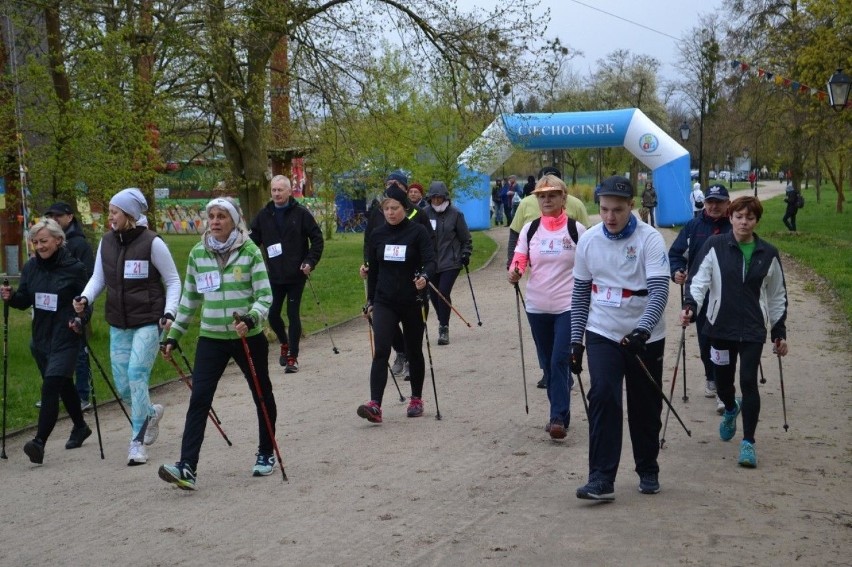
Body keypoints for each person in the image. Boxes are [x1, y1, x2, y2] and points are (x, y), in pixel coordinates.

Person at [159, 197, 276, 490]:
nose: (214, 221)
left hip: (246, 337)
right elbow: (189, 299)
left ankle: (266, 452)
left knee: (261, 394)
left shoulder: (250, 251)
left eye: (221, 216)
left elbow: (265, 295)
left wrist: (251, 318)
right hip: (211, 338)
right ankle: (187, 467)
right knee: (199, 399)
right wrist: (174, 334)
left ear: (234, 220)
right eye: (211, 216)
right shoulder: (198, 253)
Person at [569, 175, 670, 501]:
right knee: (603, 396)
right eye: (604, 209)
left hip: (645, 334)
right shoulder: (589, 240)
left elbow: (659, 291)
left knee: (644, 405)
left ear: (632, 207)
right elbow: (581, 293)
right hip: (603, 330)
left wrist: (643, 330)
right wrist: (576, 340)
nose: (610, 217)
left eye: (618, 210)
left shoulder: (649, 239)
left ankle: (647, 466)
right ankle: (600, 478)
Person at [73, 188, 181, 466]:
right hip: (119, 322)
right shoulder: (106, 242)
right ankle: (149, 413)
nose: (110, 217)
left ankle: (137, 443)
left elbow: (173, 281)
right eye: (110, 212)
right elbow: (98, 278)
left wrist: (170, 311)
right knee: (122, 386)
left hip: (148, 319)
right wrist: (85, 297)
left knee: (136, 374)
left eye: (114, 212)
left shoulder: (152, 242)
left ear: (130, 214)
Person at [681, 196, 788, 468]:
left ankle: (748, 442)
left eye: (749, 218)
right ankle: (730, 408)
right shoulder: (715, 246)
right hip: (720, 327)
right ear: (730, 218)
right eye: (739, 217)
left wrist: (778, 330)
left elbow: (777, 295)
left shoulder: (768, 252)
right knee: (725, 385)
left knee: (749, 382)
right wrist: (691, 306)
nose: (744, 222)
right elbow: (698, 281)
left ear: (756, 221)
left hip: (752, 329)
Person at [1, 219, 93, 464]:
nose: (39, 246)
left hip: (66, 335)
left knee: (51, 386)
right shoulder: (31, 268)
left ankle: (39, 442)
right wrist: (10, 298)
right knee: (63, 385)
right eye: (35, 242)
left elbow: (86, 303)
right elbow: (25, 299)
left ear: (58, 240)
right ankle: (81, 426)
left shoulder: (75, 268)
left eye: (44, 241)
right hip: (41, 338)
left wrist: (79, 319)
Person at [508, 175, 586, 440]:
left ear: (564, 198)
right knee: (549, 365)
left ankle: (556, 417)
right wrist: (515, 270)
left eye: (553, 195)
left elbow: (590, 265)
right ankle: (562, 414)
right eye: (542, 195)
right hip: (537, 306)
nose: (547, 199)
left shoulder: (577, 230)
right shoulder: (530, 229)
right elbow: (520, 257)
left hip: (568, 306)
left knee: (559, 359)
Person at [358, 183, 436, 423]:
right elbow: (374, 270)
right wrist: (370, 299)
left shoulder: (418, 232)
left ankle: (416, 399)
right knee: (381, 350)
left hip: (413, 300)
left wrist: (424, 277)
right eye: (386, 209)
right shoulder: (377, 234)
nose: (390, 213)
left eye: (395, 208)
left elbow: (431, 262)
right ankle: (375, 405)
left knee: (413, 350)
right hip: (384, 301)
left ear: (405, 207)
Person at [249, 175, 324, 373]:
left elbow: (317, 239)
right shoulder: (264, 215)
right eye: (273, 190)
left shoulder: (300, 213)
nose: (276, 194)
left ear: (289, 192)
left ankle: (292, 356)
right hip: (273, 275)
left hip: (296, 274)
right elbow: (252, 241)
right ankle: (284, 343)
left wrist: (310, 262)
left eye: (280, 190)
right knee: (272, 314)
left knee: (292, 313)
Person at [668, 184, 732, 414]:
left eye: (719, 202)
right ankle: (711, 377)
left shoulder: (734, 226)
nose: (714, 206)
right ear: (704, 203)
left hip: (728, 292)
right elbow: (676, 254)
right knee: (706, 340)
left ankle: (725, 389)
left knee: (723, 340)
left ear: (727, 204)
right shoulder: (693, 227)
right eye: (710, 201)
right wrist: (676, 271)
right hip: (698, 292)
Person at [43, 202, 95, 411]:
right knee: (48, 350)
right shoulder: (50, 243)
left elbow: (89, 276)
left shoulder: (79, 244)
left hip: (76, 303)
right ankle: (54, 393)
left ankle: (83, 395)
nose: (54, 219)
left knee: (79, 353)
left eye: (58, 216)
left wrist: (83, 300)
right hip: (52, 305)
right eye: (50, 216)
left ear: (69, 217)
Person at [423, 181, 472, 346]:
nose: (436, 201)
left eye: (439, 197)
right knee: (434, 293)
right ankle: (442, 317)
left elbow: (466, 238)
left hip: (451, 261)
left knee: (443, 291)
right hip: (430, 262)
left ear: (445, 197)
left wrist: (466, 253)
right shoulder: (424, 214)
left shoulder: (455, 214)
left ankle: (444, 327)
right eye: (433, 198)